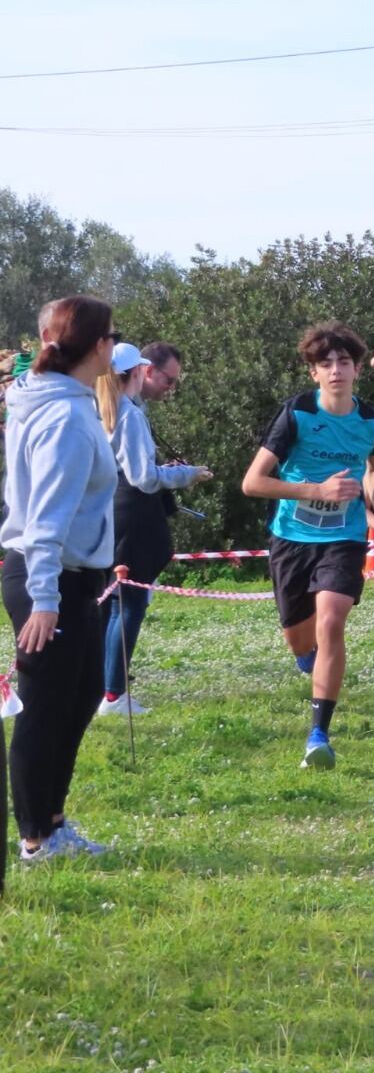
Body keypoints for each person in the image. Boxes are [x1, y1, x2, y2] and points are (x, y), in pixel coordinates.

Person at [243, 323, 374, 770]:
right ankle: (308, 659)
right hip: (292, 538)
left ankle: (319, 735)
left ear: (355, 370)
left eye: (343, 363)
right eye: (325, 364)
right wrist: (315, 490)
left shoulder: (371, 420)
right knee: (300, 639)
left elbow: (373, 471)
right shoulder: (296, 414)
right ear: (313, 373)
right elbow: (253, 482)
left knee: (331, 621)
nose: (335, 371)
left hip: (344, 538)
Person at [2, 296, 120, 865]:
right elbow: (45, 520)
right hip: (48, 581)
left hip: (69, 579)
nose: (115, 346)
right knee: (44, 710)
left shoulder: (56, 401)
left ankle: (53, 823)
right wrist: (44, 600)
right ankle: (34, 841)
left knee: (80, 698)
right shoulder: (68, 418)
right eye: (112, 337)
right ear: (97, 347)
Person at [99, 341, 212, 718]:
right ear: (138, 372)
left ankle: (103, 687)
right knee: (128, 606)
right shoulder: (129, 415)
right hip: (132, 515)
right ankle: (113, 694)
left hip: (110, 514)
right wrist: (187, 475)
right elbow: (144, 478)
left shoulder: (108, 407)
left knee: (113, 605)